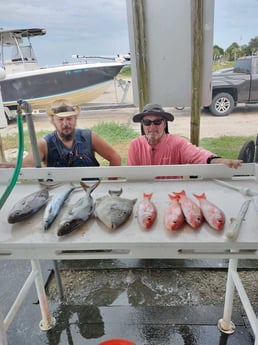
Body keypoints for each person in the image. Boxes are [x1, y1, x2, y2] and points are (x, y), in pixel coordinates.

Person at [127, 103, 242, 168]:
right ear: (142, 124)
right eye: (147, 122)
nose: (152, 126)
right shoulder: (135, 145)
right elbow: (132, 176)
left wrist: (218, 161)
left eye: (157, 121)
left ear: (165, 123)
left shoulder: (178, 143)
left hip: (174, 195)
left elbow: (198, 154)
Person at [22, 99, 121, 167]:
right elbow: (26, 166)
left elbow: (115, 157)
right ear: (53, 120)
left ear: (75, 118)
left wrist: (111, 184)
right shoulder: (44, 144)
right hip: (59, 194)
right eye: (60, 119)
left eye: (69, 118)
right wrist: (11, 166)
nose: (65, 124)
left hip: (89, 191)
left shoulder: (90, 137)